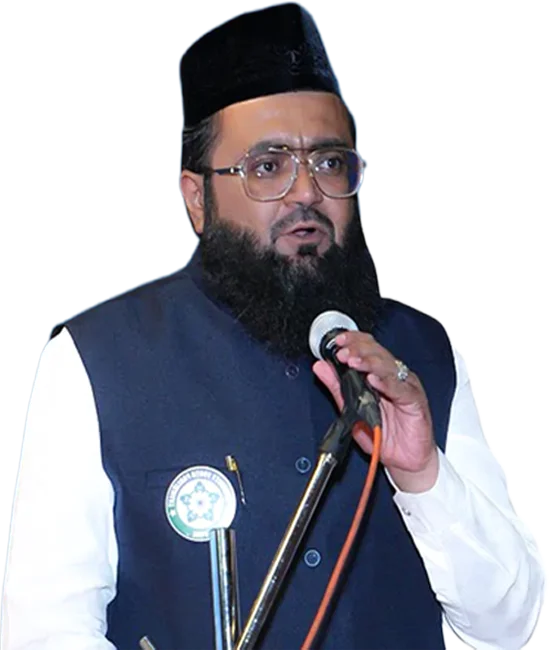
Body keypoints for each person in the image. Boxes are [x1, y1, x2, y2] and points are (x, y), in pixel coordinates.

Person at [1, 3, 544, 649]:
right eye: (267, 167)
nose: (306, 192)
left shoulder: (418, 354)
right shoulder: (99, 360)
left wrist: (422, 473)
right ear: (197, 198)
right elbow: (48, 632)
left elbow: (509, 625)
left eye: (330, 163)